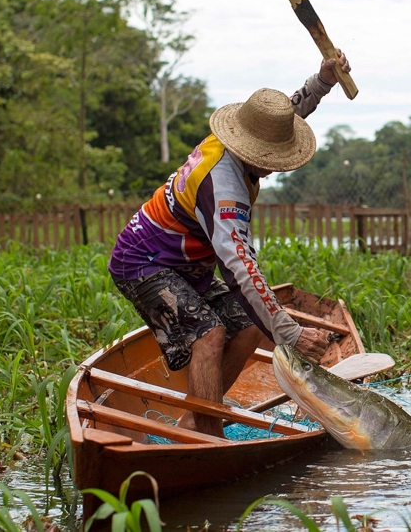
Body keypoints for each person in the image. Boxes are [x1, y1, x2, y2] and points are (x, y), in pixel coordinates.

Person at [108, 50, 351, 438]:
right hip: (144, 261)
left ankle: (197, 416)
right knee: (209, 333)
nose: (274, 167)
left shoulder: (242, 137)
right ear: (252, 151)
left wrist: (321, 82)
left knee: (251, 326)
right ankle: (206, 434)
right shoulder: (225, 187)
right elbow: (240, 268)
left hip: (185, 264)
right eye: (272, 159)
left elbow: (284, 114)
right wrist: (289, 332)